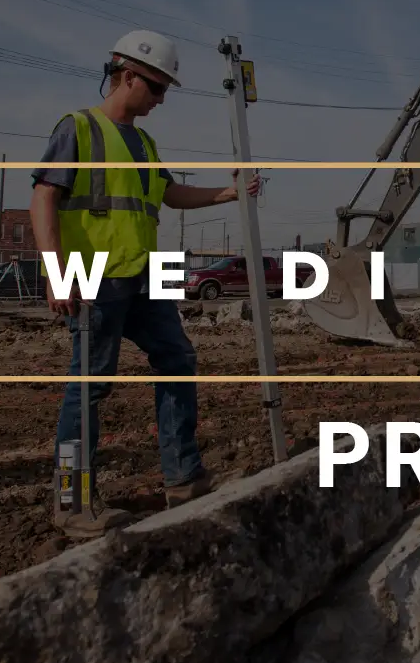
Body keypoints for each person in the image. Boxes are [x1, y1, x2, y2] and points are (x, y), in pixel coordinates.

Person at [29, 29, 260, 539]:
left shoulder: (144, 143)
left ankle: (183, 478)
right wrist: (56, 270)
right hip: (94, 277)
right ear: (127, 75)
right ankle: (72, 502)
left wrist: (229, 192)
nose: (161, 99)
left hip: (142, 274)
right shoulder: (79, 128)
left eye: (165, 90)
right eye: (156, 88)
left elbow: (169, 193)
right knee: (89, 386)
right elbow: (44, 196)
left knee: (178, 360)